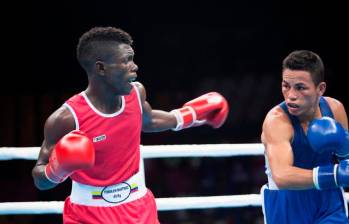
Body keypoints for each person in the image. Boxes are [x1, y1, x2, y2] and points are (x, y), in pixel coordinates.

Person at [31, 26, 229, 224]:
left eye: (132, 59)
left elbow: (149, 120)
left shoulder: (136, 93)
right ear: (101, 68)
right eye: (126, 60)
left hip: (138, 209)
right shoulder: (66, 119)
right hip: (87, 214)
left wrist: (193, 114)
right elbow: (40, 180)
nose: (134, 66)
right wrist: (56, 170)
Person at [261, 50, 349, 223]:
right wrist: (336, 175)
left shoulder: (334, 109)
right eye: (286, 86)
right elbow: (282, 175)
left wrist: (344, 148)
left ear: (320, 88)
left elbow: (347, 159)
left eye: (300, 87)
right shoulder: (277, 121)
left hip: (328, 201)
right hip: (287, 203)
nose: (291, 95)